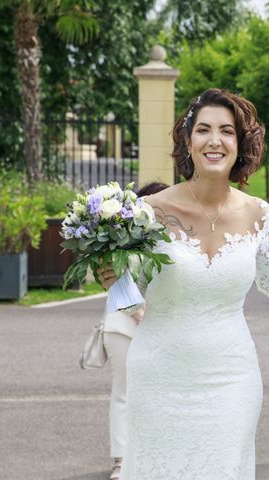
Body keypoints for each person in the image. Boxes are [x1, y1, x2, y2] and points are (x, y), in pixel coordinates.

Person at [97, 88, 269, 479]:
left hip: (231, 376)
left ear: (241, 143)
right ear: (188, 141)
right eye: (203, 130)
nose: (214, 141)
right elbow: (128, 297)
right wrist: (113, 281)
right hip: (159, 374)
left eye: (226, 131)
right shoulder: (149, 212)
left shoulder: (259, 213)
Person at [101, 181, 168, 480]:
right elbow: (111, 278)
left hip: (160, 328)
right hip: (122, 326)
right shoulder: (123, 237)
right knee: (124, 392)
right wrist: (138, 312)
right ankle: (121, 461)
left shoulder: (170, 240)